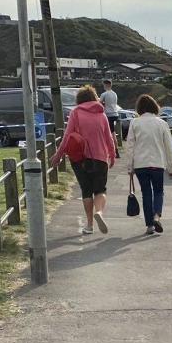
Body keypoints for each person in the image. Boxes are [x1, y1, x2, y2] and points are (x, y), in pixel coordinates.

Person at [50, 85, 116, 235]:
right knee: (100, 190)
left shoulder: (75, 113)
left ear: (79, 99)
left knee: (86, 190)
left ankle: (89, 225)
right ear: (94, 98)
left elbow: (67, 136)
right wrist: (112, 155)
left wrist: (59, 154)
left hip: (80, 159)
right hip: (100, 157)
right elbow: (109, 138)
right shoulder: (102, 114)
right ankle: (99, 212)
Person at [123, 94, 172, 235]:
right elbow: (169, 148)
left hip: (141, 165)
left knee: (146, 193)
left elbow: (130, 146)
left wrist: (130, 167)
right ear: (154, 107)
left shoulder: (135, 123)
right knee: (159, 191)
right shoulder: (162, 124)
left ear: (139, 108)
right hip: (157, 164)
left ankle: (150, 226)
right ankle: (157, 216)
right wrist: (171, 167)